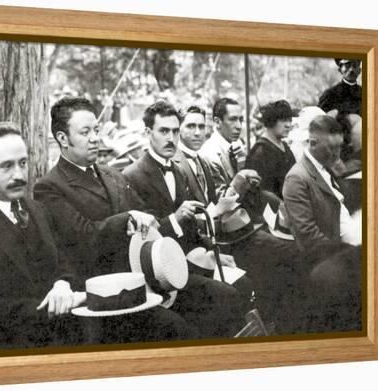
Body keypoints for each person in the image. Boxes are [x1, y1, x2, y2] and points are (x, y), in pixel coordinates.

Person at [33, 97, 195, 343]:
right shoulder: (50, 187)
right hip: (103, 299)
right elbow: (84, 236)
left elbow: (149, 219)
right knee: (179, 330)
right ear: (63, 139)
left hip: (144, 280)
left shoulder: (111, 174)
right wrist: (128, 218)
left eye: (96, 130)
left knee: (218, 298)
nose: (95, 138)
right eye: (85, 132)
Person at [123, 100, 253, 338]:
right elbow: (143, 240)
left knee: (244, 282)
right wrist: (175, 218)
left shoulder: (179, 170)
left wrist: (212, 253)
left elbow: (193, 229)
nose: (171, 138)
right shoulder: (133, 176)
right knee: (227, 295)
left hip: (191, 259)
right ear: (147, 132)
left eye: (174, 131)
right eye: (164, 131)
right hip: (162, 273)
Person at [0, 122, 84, 351]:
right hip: (12, 347)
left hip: (66, 332)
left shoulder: (38, 209)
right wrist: (57, 307)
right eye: (6, 166)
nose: (19, 174)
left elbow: (63, 260)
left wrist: (63, 284)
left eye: (23, 163)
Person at [282, 115, 361, 332]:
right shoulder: (297, 178)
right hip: (325, 261)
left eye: (339, 148)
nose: (336, 155)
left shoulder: (327, 167)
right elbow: (308, 238)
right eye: (331, 149)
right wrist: (352, 250)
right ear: (313, 143)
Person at [245, 100, 297, 199]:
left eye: (290, 120)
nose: (288, 125)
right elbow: (260, 194)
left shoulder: (285, 146)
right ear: (271, 120)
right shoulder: (260, 152)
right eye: (283, 120)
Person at [199, 97, 246, 188]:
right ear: (217, 122)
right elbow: (221, 198)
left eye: (241, 120)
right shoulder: (209, 154)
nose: (239, 126)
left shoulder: (236, 145)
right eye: (233, 119)